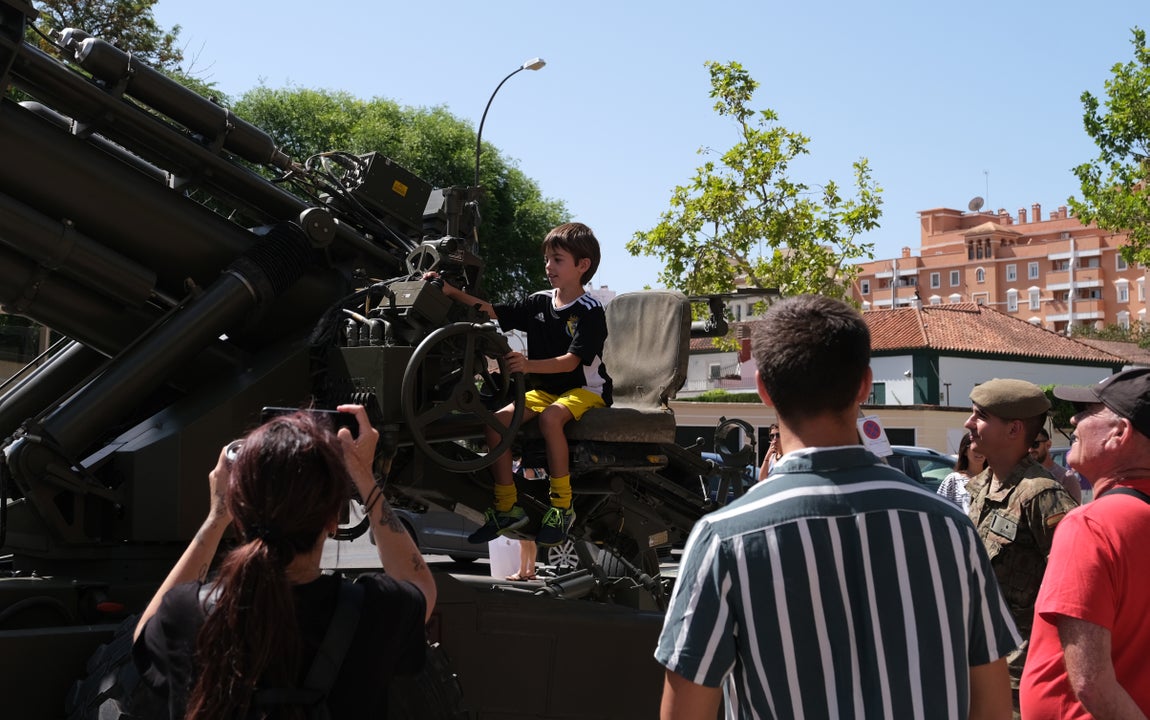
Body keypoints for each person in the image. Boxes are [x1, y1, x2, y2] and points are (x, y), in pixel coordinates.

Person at [655, 295, 1019, 720]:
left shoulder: (725, 538)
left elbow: (686, 711)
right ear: (865, 384)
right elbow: (992, 704)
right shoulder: (951, 528)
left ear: (765, 390)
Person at [132, 405, 437, 718]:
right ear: (333, 520)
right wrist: (364, 477)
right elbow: (420, 585)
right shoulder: (374, 611)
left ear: (239, 513)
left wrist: (217, 516)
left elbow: (144, 635)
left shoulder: (187, 614)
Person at [431, 222, 611, 547]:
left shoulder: (590, 311)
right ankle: (507, 507)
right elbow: (491, 312)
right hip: (546, 391)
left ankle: (561, 506)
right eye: (547, 259)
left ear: (582, 266)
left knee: (551, 418)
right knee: (496, 424)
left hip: (585, 391)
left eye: (557, 260)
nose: (548, 266)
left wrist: (527, 365)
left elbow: (571, 363)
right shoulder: (538, 302)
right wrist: (449, 291)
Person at [1020, 368, 1150, 717]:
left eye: (1090, 411)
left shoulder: (1091, 525)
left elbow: (1091, 683)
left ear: (1119, 433)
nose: (1074, 418)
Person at [963, 378, 1079, 717]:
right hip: (981, 661)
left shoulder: (1042, 495)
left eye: (979, 415)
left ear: (1014, 429)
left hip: (1021, 675)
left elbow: (1071, 589)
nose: (968, 424)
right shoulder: (981, 487)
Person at [936, 431, 987, 513]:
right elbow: (939, 509)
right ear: (965, 451)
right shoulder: (953, 480)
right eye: (975, 447)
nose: (979, 451)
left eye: (983, 447)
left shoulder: (994, 480)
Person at [1030, 426, 1082, 503]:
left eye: (1035, 444)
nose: (1030, 450)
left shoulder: (1066, 478)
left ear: (1048, 445)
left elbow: (1073, 512)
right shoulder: (1024, 476)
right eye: (1027, 445)